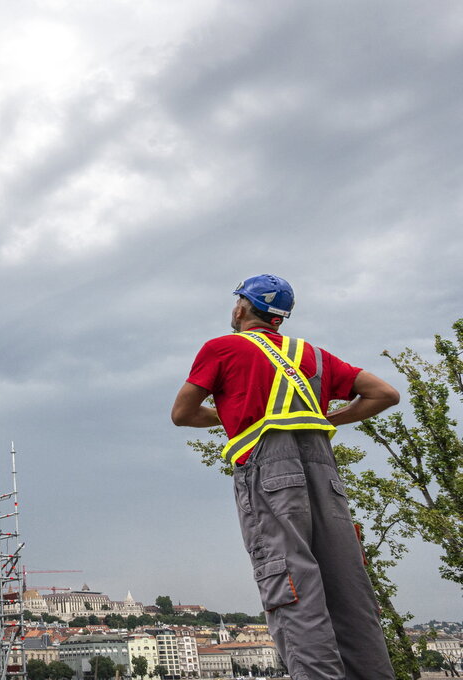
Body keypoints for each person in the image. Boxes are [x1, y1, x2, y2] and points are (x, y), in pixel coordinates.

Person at [171, 274, 400, 680]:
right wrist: (331, 418)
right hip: (324, 469)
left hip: (270, 470)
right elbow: (385, 393)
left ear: (242, 307)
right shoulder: (315, 355)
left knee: (292, 581)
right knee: (348, 586)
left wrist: (230, 415)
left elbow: (182, 414)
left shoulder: (222, 348)